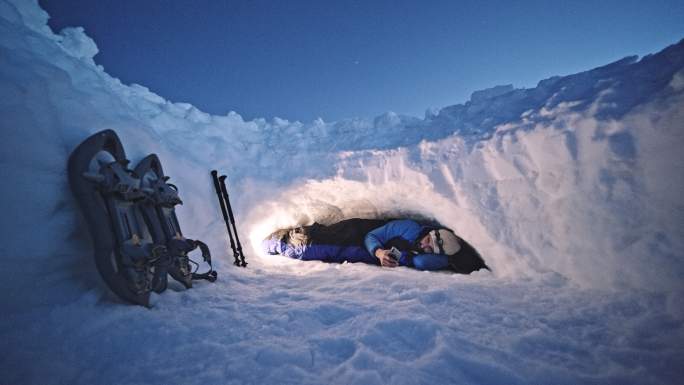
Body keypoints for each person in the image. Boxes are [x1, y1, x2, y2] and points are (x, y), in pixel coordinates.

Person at [262, 218, 488, 274]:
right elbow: (372, 236)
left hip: (360, 250)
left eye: (431, 249)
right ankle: (276, 241)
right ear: (431, 232)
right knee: (315, 242)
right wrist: (379, 252)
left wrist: (443, 258)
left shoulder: (424, 254)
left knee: (329, 252)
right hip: (362, 233)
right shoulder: (408, 228)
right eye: (429, 240)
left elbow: (421, 261)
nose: (425, 245)